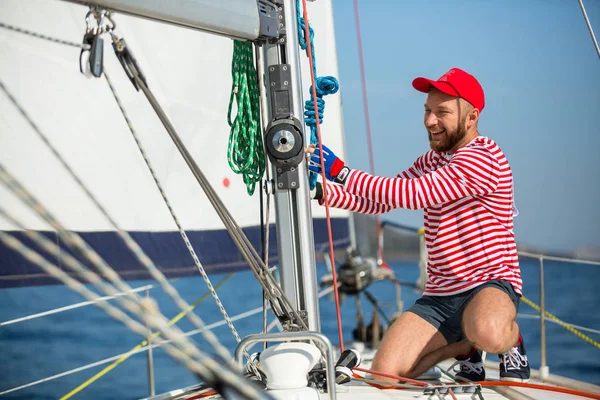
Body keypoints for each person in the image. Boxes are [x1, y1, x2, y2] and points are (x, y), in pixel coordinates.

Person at [306, 68, 530, 383]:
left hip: (488, 285)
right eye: (427, 111)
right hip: (440, 294)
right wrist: (323, 192)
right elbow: (380, 202)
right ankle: (464, 348)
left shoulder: (485, 157)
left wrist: (341, 171)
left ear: (471, 117)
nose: (429, 121)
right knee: (384, 376)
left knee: (489, 332)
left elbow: (414, 194)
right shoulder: (430, 161)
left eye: (442, 112)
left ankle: (510, 342)